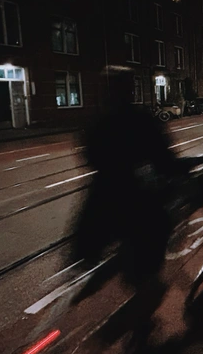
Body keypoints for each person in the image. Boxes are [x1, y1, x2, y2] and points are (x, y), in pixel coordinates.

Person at [72, 66, 184, 290]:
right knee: (161, 223)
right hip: (134, 195)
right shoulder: (141, 120)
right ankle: (145, 283)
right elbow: (164, 158)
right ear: (130, 91)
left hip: (101, 196)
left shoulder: (96, 121)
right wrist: (177, 171)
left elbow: (88, 156)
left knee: (85, 239)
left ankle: (84, 264)